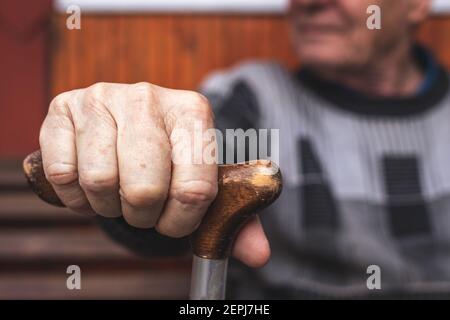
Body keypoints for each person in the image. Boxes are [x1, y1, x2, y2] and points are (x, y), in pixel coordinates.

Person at [39, 0, 450, 299]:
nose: (308, 3)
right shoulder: (252, 99)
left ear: (417, 5)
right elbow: (172, 203)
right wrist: (136, 143)